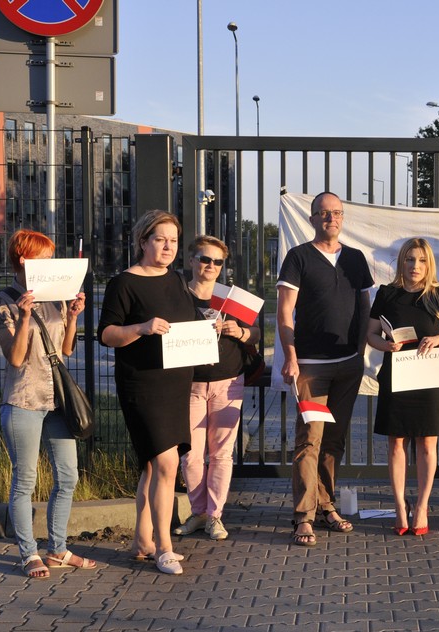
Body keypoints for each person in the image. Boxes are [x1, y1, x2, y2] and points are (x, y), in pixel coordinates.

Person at [0, 229, 95, 579]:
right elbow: (16, 359)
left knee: (68, 476)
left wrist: (74, 315)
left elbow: (65, 351)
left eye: (51, 257)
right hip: (22, 401)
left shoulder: (57, 297)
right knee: (25, 480)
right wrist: (21, 318)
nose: (49, 263)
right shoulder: (1, 300)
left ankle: (58, 549)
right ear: (23, 260)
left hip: (56, 401)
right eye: (43, 258)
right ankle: (29, 553)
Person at [99, 210, 198, 574]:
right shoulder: (123, 283)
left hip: (174, 383)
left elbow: (185, 325)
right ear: (143, 241)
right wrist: (141, 327)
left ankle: (143, 539)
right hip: (141, 383)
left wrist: (209, 328)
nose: (168, 246)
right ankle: (164, 547)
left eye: (173, 239)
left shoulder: (175, 280)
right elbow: (107, 334)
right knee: (167, 462)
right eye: (161, 239)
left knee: (153, 465)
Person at [277, 192, 374, 547]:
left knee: (334, 442)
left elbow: (365, 306)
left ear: (342, 217)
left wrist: (360, 350)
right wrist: (290, 355)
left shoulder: (355, 258)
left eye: (336, 213)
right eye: (323, 213)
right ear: (312, 218)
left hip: (348, 366)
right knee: (310, 441)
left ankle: (327, 505)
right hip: (312, 368)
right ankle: (303, 515)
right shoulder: (298, 257)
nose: (331, 218)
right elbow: (285, 312)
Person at [366, 238, 439, 536]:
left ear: (428, 263)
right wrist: (386, 344)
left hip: (430, 379)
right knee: (396, 443)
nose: (415, 266)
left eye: (420, 260)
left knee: (427, 443)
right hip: (397, 375)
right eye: (409, 260)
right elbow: (370, 335)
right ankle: (398, 506)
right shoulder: (386, 294)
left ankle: (421, 506)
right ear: (401, 263)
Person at [173, 236, 259, 541]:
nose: (210, 266)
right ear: (192, 261)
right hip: (190, 383)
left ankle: (214, 516)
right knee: (191, 455)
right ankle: (198, 513)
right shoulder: (178, 296)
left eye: (217, 262)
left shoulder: (230, 299)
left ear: (222, 267)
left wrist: (241, 331)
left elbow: (256, 332)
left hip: (228, 382)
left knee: (222, 454)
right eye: (204, 259)